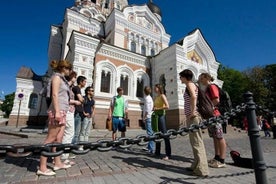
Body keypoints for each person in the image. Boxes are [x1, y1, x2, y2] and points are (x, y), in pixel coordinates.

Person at [37, 60, 72, 176]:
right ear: (63, 68)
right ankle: (42, 167)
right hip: (57, 110)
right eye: (68, 69)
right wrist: (57, 111)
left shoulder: (63, 80)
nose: (69, 71)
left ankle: (57, 163)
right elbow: (54, 94)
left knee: (59, 139)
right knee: (50, 139)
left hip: (63, 110)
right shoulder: (56, 78)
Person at [179, 69, 209, 177]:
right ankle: (196, 165)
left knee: (197, 142)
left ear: (185, 77)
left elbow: (193, 96)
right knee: (194, 142)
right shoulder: (192, 85)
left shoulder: (190, 85)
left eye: (181, 77)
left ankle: (202, 170)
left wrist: (192, 112)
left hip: (193, 117)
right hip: (192, 117)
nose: (180, 79)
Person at [198, 72, 226, 168]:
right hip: (211, 116)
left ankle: (222, 160)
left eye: (202, 78)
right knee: (214, 137)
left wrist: (209, 108)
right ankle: (216, 157)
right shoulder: (206, 88)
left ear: (207, 78)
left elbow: (216, 100)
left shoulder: (212, 86)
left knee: (219, 137)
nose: (200, 80)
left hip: (215, 115)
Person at [61, 70, 81, 163]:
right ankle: (63, 156)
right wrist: (75, 102)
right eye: (75, 77)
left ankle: (63, 155)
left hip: (70, 111)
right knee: (69, 133)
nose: (75, 79)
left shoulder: (70, 87)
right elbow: (64, 99)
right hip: (67, 111)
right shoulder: (66, 86)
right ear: (71, 77)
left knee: (66, 133)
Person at [153, 84, 171, 160]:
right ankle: (157, 152)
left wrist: (158, 108)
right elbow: (155, 106)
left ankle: (168, 154)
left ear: (159, 88)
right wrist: (154, 108)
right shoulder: (156, 97)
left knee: (165, 134)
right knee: (157, 135)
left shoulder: (162, 96)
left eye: (155, 88)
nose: (154, 89)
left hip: (161, 116)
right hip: (156, 117)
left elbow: (167, 106)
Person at [72, 76, 87, 145]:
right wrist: (83, 100)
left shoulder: (78, 89)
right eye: (84, 82)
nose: (85, 83)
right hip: (77, 112)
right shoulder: (77, 88)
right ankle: (72, 147)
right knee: (76, 131)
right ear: (81, 82)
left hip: (79, 112)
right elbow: (81, 99)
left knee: (77, 131)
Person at [142, 86, 154, 154]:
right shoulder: (150, 98)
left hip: (148, 117)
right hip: (150, 116)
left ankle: (151, 149)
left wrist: (144, 117)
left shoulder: (146, 98)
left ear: (144, 91)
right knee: (150, 132)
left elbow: (147, 109)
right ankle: (149, 147)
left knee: (150, 133)